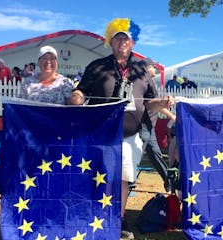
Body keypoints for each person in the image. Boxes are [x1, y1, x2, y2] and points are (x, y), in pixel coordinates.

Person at [68, 18, 173, 239]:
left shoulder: (142, 70)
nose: (122, 42)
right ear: (110, 41)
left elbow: (149, 102)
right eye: (118, 38)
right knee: (99, 175)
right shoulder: (97, 66)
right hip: (100, 133)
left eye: (126, 38)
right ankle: (96, 215)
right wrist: (76, 97)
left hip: (130, 134)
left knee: (124, 177)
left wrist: (161, 104)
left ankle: (119, 218)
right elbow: (82, 91)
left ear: (133, 43)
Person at [141, 57, 176, 192]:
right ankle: (128, 183)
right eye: (152, 66)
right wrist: (171, 115)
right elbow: (153, 105)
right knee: (137, 155)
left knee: (156, 154)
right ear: (147, 68)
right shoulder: (144, 83)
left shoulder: (151, 83)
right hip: (141, 126)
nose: (154, 69)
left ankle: (168, 181)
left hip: (149, 126)